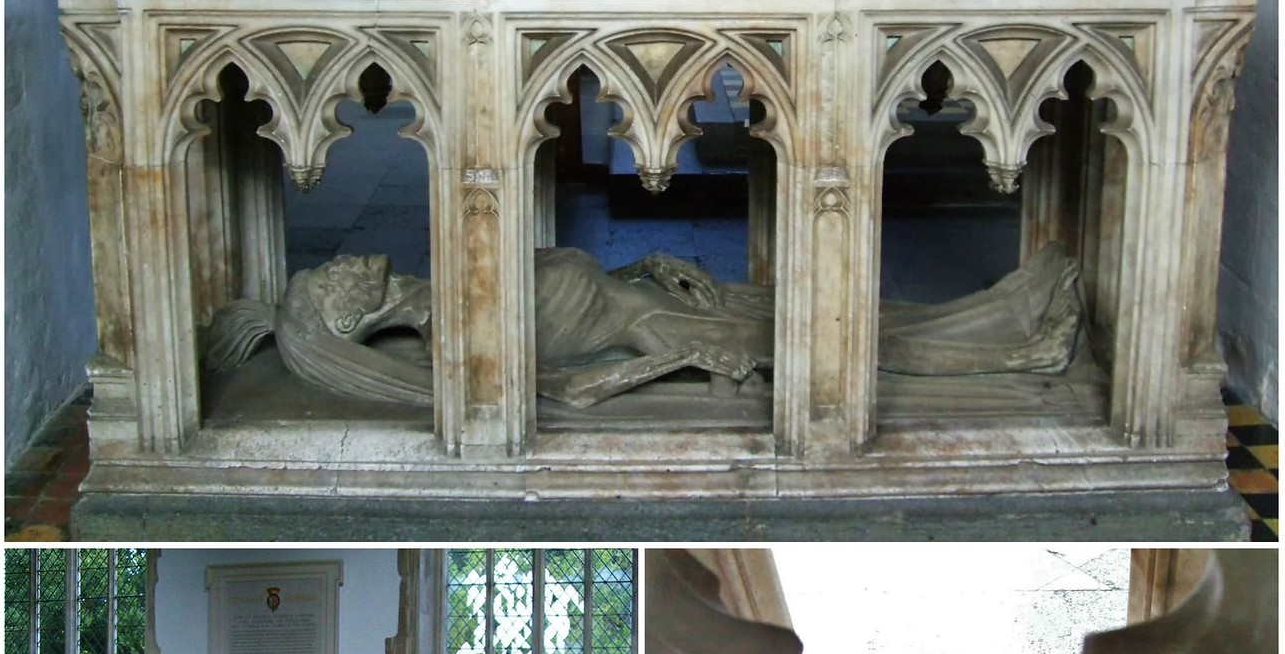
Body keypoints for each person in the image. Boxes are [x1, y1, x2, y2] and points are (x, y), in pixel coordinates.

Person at [206, 242, 1083, 411]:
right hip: (662, 339)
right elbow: (577, 391)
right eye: (332, 281)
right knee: (849, 349)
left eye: (329, 265)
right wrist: (680, 362)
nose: (348, 263)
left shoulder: (452, 271)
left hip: (658, 299)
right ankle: (1018, 343)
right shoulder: (456, 343)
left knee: (849, 318)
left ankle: (1001, 308)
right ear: (350, 321)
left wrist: (651, 260)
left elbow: (574, 283)